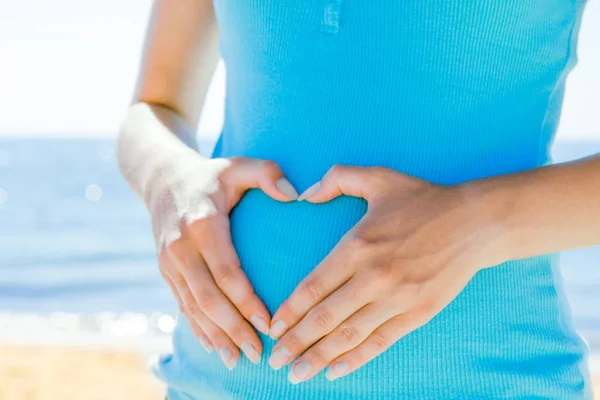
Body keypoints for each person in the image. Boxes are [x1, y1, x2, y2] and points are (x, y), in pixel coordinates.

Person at [116, 0, 598, 398]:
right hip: (207, 384)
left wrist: (474, 223)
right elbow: (157, 105)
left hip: (486, 381)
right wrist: (168, 180)